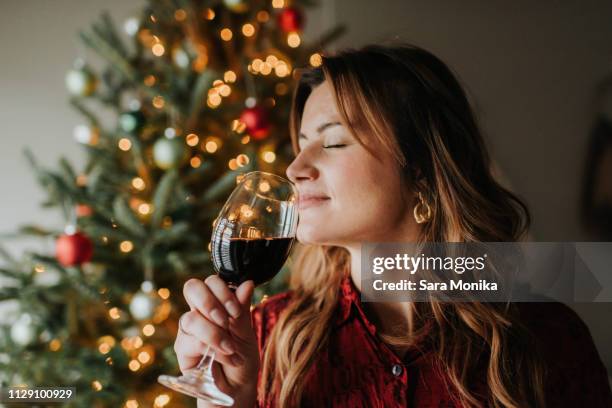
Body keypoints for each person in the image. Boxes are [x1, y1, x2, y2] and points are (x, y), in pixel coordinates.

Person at [174, 44, 612, 407]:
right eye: (302, 145)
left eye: (333, 142)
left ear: (420, 168)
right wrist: (229, 399)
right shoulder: (266, 335)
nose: (295, 168)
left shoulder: (545, 339)